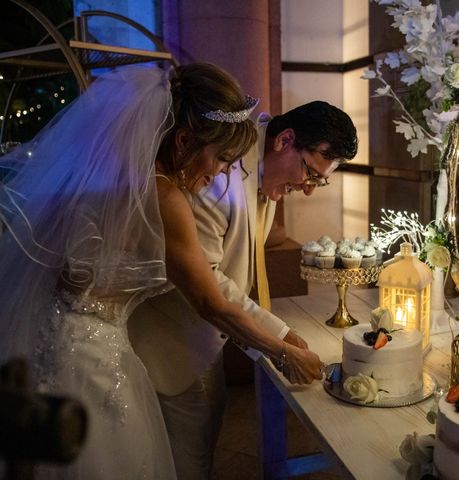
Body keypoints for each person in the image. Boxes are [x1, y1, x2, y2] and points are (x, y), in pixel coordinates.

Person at [0, 63, 324, 480]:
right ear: (186, 140)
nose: (224, 173)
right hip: (91, 354)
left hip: (61, 334)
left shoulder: (117, 176)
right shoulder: (165, 196)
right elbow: (211, 301)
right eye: (223, 159)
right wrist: (283, 351)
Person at [129, 101, 358, 478]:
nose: (309, 189)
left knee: (201, 439)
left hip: (208, 333)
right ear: (285, 139)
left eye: (319, 181)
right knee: (184, 459)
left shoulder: (262, 157)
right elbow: (207, 282)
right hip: (167, 339)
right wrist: (281, 340)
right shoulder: (216, 173)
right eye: (310, 174)